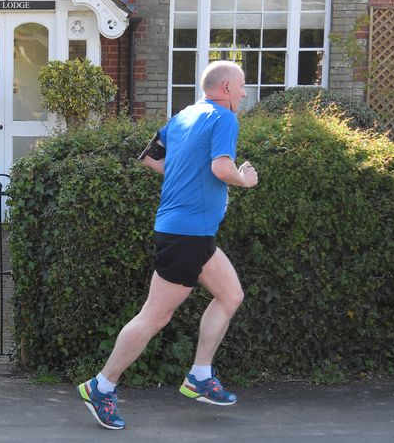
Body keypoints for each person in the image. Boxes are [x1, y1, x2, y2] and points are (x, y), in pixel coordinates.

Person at [77, 60, 259, 430]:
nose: (244, 93)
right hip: (187, 234)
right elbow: (222, 169)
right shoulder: (224, 118)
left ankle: (200, 375)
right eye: (241, 86)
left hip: (192, 232)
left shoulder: (182, 117)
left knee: (230, 296)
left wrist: (183, 173)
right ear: (225, 88)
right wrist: (245, 179)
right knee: (155, 315)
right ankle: (102, 385)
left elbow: (149, 157)